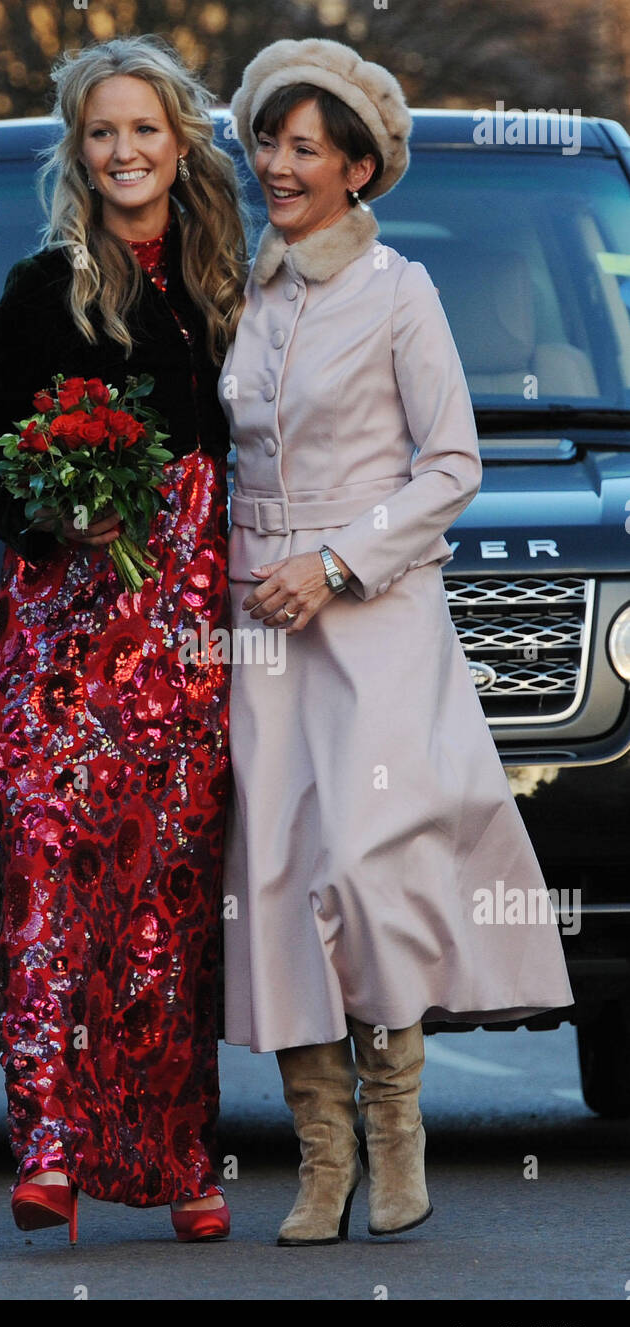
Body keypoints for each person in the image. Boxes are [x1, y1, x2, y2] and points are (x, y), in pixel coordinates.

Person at [220, 37, 575, 1244]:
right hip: (252, 612)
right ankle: (321, 1163)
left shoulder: (399, 291)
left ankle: (396, 1133)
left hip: (369, 613)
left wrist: (332, 564)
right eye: (267, 138)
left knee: (366, 869)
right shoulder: (243, 289)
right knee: (274, 875)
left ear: (358, 169)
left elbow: (454, 466)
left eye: (303, 147)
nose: (276, 162)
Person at [0, 35, 247, 1244]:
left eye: (143, 130)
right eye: (100, 132)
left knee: (166, 898)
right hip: (63, 645)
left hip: (186, 643)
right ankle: (52, 1151)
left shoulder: (233, 285)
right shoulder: (43, 285)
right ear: (79, 152)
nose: (123, 151)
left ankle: (180, 1156)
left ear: (179, 144)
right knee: (52, 883)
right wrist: (43, 511)